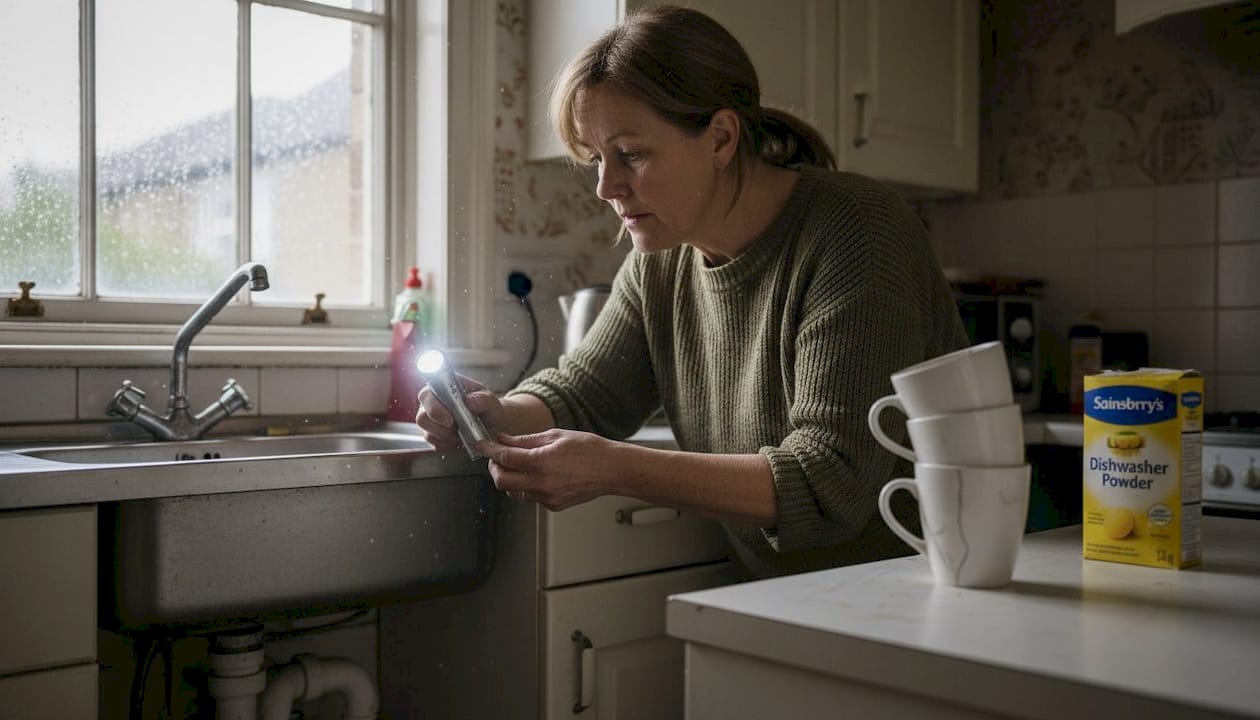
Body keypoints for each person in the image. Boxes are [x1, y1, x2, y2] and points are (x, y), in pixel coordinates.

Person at [416, 4, 969, 580]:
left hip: (929, 590)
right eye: (596, 160)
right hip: (790, 598)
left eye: (631, 153)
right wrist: (496, 413)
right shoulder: (661, 263)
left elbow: (829, 482)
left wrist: (614, 468)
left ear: (721, 138)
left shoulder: (856, 230)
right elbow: (584, 396)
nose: (606, 187)